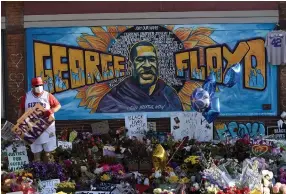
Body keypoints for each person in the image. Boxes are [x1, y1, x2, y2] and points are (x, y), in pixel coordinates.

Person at [96, 41, 183, 113]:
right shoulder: (114, 97)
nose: (147, 65)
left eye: (152, 60)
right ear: (131, 66)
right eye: (140, 60)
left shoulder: (169, 94)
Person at [18, 77, 61, 162]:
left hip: (47, 127)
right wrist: (20, 122)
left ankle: (50, 170)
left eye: (41, 85)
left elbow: (58, 105)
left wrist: (51, 110)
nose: (39, 87)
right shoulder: (26, 96)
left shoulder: (48, 95)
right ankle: (38, 171)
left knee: (48, 153)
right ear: (32, 86)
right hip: (33, 128)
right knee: (36, 153)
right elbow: (21, 109)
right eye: (37, 85)